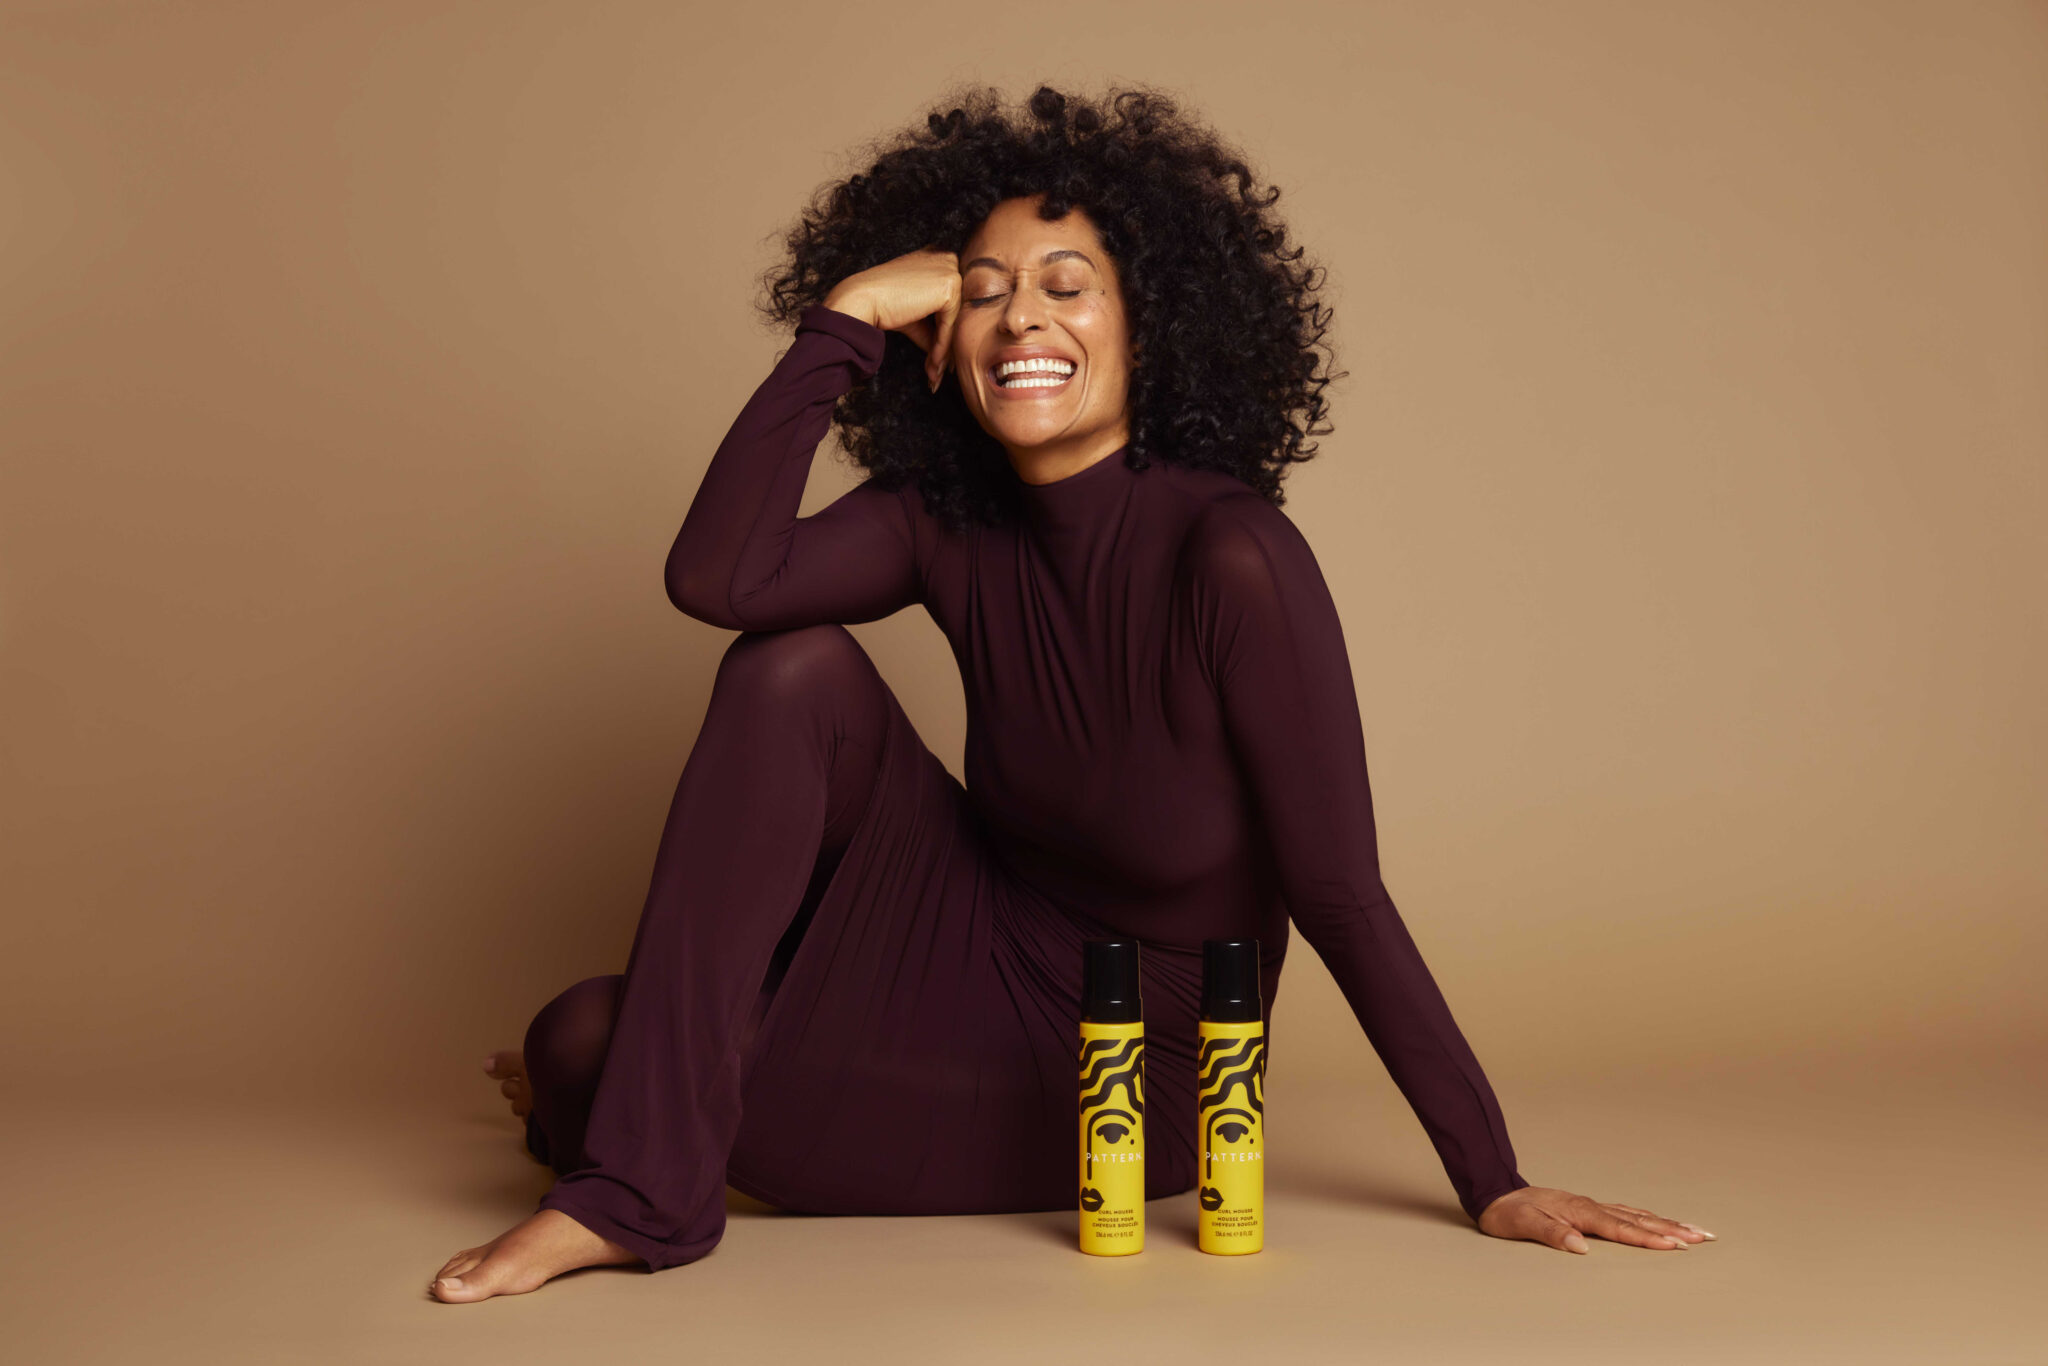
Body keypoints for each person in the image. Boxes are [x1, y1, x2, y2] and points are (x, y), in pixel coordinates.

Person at [429, 83, 1713, 1303]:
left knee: (597, 1049)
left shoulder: (1233, 556)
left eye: (1066, 287)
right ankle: (635, 1182)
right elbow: (719, 579)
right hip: (966, 934)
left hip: (1128, 1063)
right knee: (771, 693)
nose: (1020, 322)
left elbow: (1339, 894)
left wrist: (1489, 1174)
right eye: (980, 294)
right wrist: (845, 321)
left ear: (1149, 324)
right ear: (943, 337)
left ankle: (634, 1161)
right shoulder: (940, 516)